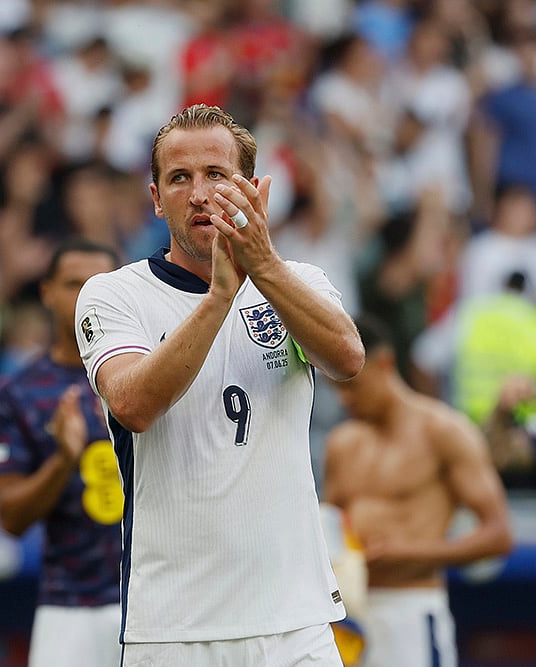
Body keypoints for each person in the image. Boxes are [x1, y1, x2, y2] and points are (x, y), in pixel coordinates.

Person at [76, 103, 364, 665]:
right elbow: (133, 403)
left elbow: (348, 359)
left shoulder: (299, 283)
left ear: (253, 190)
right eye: (179, 178)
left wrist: (265, 268)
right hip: (176, 629)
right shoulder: (113, 294)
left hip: (295, 620)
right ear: (156, 198)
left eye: (217, 175)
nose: (200, 193)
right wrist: (219, 299)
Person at [323, 314, 513, 667]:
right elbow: (330, 523)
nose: (345, 398)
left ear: (384, 364)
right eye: (337, 387)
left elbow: (499, 535)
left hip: (409, 608)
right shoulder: (342, 443)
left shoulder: (443, 432)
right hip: (347, 614)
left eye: (353, 384)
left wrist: (411, 553)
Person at [0, 237, 124, 667]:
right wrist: (63, 461)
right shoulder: (20, 390)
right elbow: (11, 517)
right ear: (46, 292)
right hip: (71, 604)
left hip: (157, 600)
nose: (87, 295)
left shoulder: (149, 371)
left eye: (101, 282)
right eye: (74, 283)